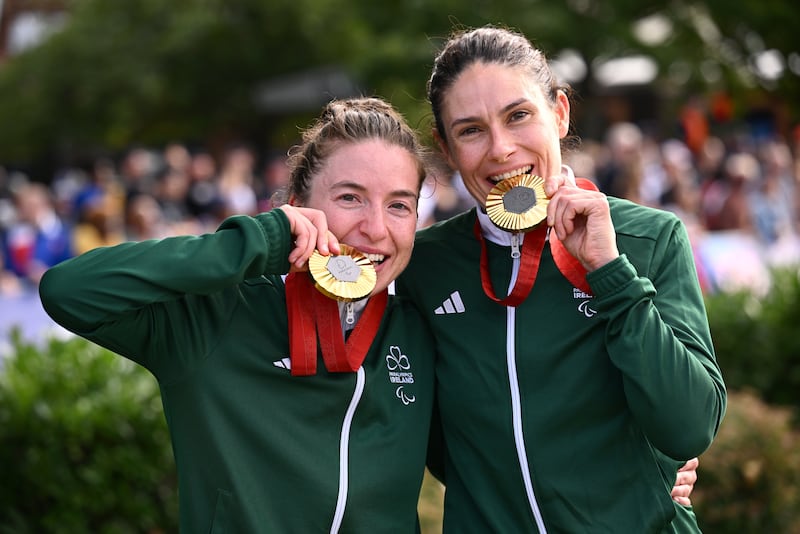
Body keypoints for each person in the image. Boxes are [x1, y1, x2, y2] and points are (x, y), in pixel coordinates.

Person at [39, 97, 436, 533]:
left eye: (399, 205)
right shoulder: (218, 315)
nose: (376, 228)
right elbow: (68, 291)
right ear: (300, 204)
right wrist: (260, 240)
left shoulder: (418, 330)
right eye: (350, 197)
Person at [396, 25, 726, 532]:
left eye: (519, 115)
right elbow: (441, 443)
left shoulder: (649, 237)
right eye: (470, 130)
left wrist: (610, 272)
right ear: (446, 145)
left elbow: (689, 425)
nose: (501, 149)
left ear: (560, 112)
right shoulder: (427, 265)